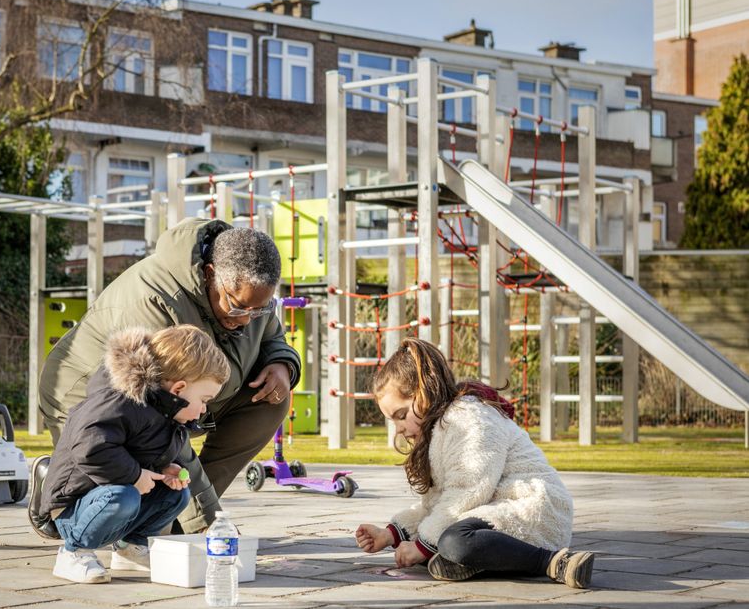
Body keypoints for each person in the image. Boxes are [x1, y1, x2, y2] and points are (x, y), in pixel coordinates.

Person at [29, 218, 301, 539]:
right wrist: (208, 523)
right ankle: (58, 496)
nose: (245, 319)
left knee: (268, 404)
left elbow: (272, 337)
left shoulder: (248, 294)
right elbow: (162, 418)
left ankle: (174, 514)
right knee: (113, 481)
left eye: (259, 309)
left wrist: (282, 365)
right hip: (91, 402)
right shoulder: (154, 302)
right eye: (238, 306)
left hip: (181, 399)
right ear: (211, 274)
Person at [354, 338, 595, 589]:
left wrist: (421, 546)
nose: (400, 428)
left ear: (424, 393)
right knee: (442, 543)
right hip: (494, 511)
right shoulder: (438, 432)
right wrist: (390, 534)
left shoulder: (467, 417)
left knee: (453, 542)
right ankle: (467, 562)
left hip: (535, 510)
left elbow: (467, 491)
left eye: (401, 415)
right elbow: (437, 505)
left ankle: (552, 562)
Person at [41, 325, 230, 583]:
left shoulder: (166, 413)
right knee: (125, 494)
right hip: (72, 507)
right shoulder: (120, 400)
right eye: (204, 400)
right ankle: (73, 552)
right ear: (179, 389)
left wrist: (164, 469)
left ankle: (129, 547)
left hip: (110, 498)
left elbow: (140, 451)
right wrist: (135, 474)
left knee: (177, 493)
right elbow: (91, 447)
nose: (204, 410)